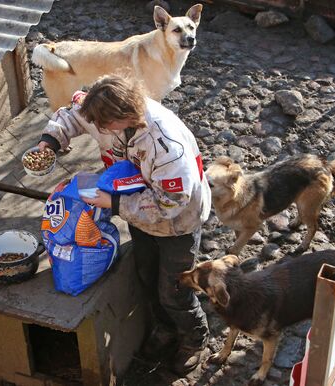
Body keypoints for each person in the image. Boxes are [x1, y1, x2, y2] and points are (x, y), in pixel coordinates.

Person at [38, 75, 211, 375]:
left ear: (124, 118)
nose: (98, 130)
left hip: (177, 225)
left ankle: (194, 338)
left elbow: (170, 203)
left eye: (103, 127)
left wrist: (115, 205)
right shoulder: (103, 109)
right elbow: (73, 114)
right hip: (140, 216)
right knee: (145, 275)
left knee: (174, 289)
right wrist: (50, 142)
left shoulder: (166, 145)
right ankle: (165, 328)